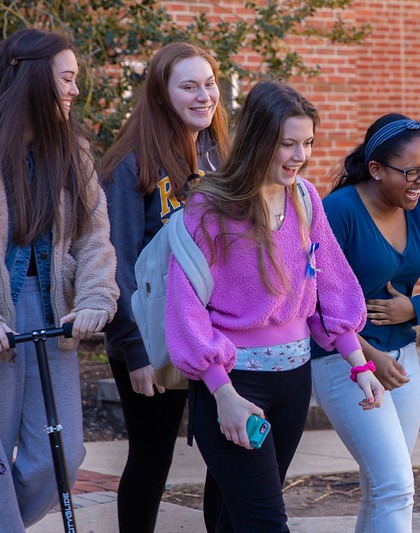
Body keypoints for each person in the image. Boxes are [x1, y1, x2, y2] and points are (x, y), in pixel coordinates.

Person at [164, 80, 384, 532]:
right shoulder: (209, 207)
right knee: (265, 522)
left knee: (234, 520)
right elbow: (184, 305)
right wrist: (221, 393)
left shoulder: (304, 198)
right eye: (287, 144)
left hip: (293, 384)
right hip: (233, 385)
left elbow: (332, 285)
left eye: (307, 143)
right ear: (259, 139)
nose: (299, 155)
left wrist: (359, 366)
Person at [97, 42, 229, 533]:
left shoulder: (222, 158)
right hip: (154, 341)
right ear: (160, 93)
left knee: (228, 454)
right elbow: (119, 263)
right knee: (152, 460)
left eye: (210, 83)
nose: (204, 96)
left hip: (217, 336)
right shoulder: (132, 166)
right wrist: (134, 350)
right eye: (189, 86)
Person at [311, 113, 420, 532]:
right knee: (395, 485)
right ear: (375, 169)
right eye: (410, 171)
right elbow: (314, 299)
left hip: (402, 360)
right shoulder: (337, 212)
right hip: (344, 362)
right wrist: (369, 354)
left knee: (382, 486)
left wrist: (413, 309)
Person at [0, 28, 119, 531]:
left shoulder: (73, 151)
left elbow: (95, 236)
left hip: (53, 315)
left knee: (61, 455)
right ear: (31, 80)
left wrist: (95, 297)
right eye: (66, 79)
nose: (74, 90)